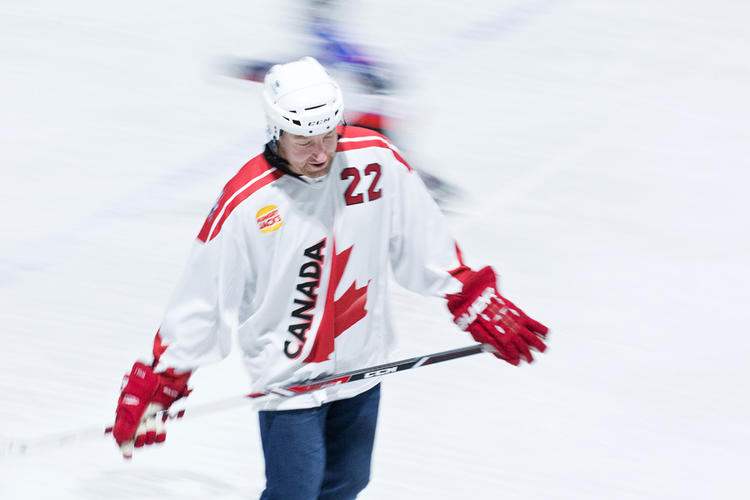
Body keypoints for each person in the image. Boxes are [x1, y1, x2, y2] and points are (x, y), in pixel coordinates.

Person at [112, 56, 549, 499]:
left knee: (348, 483)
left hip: (363, 364)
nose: (321, 154)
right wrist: (165, 377)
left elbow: (422, 235)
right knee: (295, 493)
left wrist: (466, 294)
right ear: (275, 131)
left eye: (328, 136)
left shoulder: (375, 159)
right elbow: (202, 298)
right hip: (290, 379)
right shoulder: (247, 202)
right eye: (304, 141)